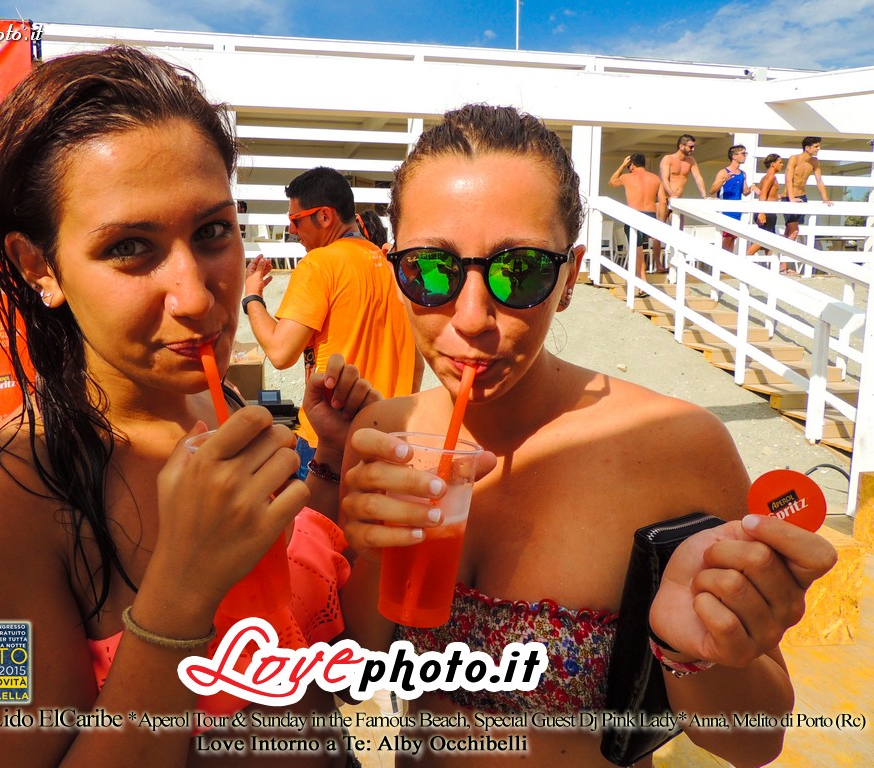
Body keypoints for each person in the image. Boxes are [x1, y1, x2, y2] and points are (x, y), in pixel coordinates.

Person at [338, 104, 837, 768]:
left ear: (569, 276)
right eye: (430, 268)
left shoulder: (675, 444)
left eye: (520, 271)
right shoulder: (384, 433)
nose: (472, 318)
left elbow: (753, 740)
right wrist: (370, 548)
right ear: (395, 268)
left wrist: (693, 652)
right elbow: (359, 667)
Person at [0, 46, 374, 768]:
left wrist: (331, 465)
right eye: (130, 246)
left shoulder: (217, 404)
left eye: (212, 231)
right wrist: (179, 593)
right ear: (39, 266)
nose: (195, 297)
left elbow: (306, 653)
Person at [242, 166, 421, 460]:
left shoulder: (319, 264)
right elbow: (416, 366)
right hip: (388, 439)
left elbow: (280, 352)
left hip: (328, 442)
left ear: (325, 216)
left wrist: (252, 296)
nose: (291, 230)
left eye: (295, 220)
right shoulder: (390, 265)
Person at [608, 153, 666, 285]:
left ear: (632, 165)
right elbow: (663, 202)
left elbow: (611, 182)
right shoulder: (655, 179)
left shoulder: (627, 177)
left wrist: (622, 165)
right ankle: (645, 275)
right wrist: (661, 222)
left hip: (634, 215)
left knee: (637, 248)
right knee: (642, 246)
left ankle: (642, 279)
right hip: (651, 216)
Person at [709, 145, 762, 252]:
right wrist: (723, 180)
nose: (745, 156)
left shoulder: (742, 174)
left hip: (737, 211)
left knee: (733, 237)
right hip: (725, 210)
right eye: (743, 154)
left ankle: (728, 261)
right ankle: (722, 261)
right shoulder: (723, 172)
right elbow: (712, 190)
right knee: (726, 237)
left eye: (745, 154)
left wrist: (752, 187)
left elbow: (745, 192)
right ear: (734, 156)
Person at [782, 136, 833, 245]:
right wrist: (792, 198)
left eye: (819, 146)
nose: (819, 148)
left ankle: (781, 254)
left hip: (802, 197)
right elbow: (788, 180)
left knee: (790, 230)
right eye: (816, 146)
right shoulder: (794, 158)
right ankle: (783, 251)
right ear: (807, 148)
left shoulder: (814, 161)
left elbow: (819, 181)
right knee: (794, 231)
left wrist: (826, 199)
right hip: (789, 197)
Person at [659, 133, 708, 219]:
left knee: (679, 226)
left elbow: (698, 177)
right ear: (681, 146)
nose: (693, 149)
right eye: (690, 147)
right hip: (665, 198)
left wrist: (704, 196)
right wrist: (671, 194)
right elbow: (664, 179)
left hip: (678, 199)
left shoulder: (691, 160)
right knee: (660, 225)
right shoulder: (668, 158)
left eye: (694, 147)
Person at [746, 153, 784, 262]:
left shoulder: (767, 177)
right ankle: (744, 259)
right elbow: (763, 194)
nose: (782, 165)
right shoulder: (770, 177)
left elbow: (765, 194)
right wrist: (762, 212)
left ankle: (772, 266)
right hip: (766, 212)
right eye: (780, 162)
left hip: (768, 211)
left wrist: (781, 196)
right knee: (763, 239)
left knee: (769, 241)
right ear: (773, 164)